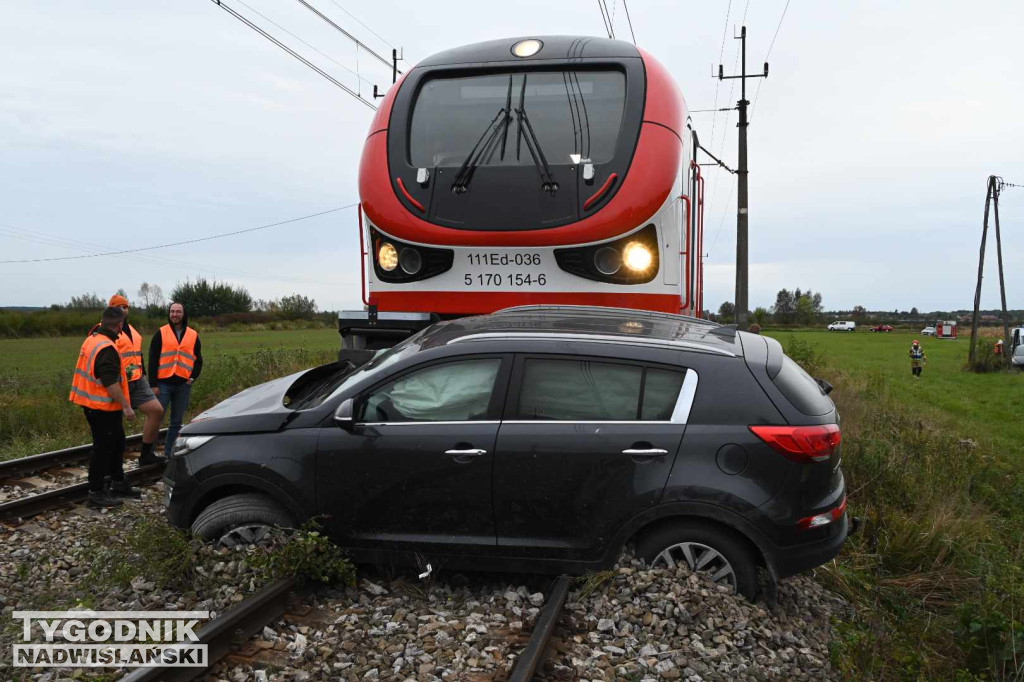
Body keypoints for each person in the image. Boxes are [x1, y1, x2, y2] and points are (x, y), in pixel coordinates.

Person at [69, 306, 142, 507]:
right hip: (101, 408)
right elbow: (110, 383)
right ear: (119, 325)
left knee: (117, 444)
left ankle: (118, 482)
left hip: (95, 405)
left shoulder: (93, 339)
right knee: (103, 449)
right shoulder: (106, 348)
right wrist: (127, 407)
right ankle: (96, 493)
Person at [107, 294, 165, 466]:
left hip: (137, 380)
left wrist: (144, 374)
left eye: (125, 307)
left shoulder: (132, 330)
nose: (123, 310)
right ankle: (112, 468)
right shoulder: (105, 330)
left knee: (156, 411)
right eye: (118, 306)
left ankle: (146, 455)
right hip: (116, 383)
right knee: (113, 428)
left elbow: (137, 355)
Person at [149, 302, 203, 457]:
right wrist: (153, 384)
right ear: (169, 313)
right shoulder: (161, 333)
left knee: (176, 422)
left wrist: (191, 378)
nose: (175, 314)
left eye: (178, 311)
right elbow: (152, 360)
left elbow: (198, 360)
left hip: (182, 385)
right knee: (155, 419)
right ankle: (149, 453)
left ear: (183, 314)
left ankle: (169, 453)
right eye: (172, 311)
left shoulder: (193, 335)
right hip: (163, 384)